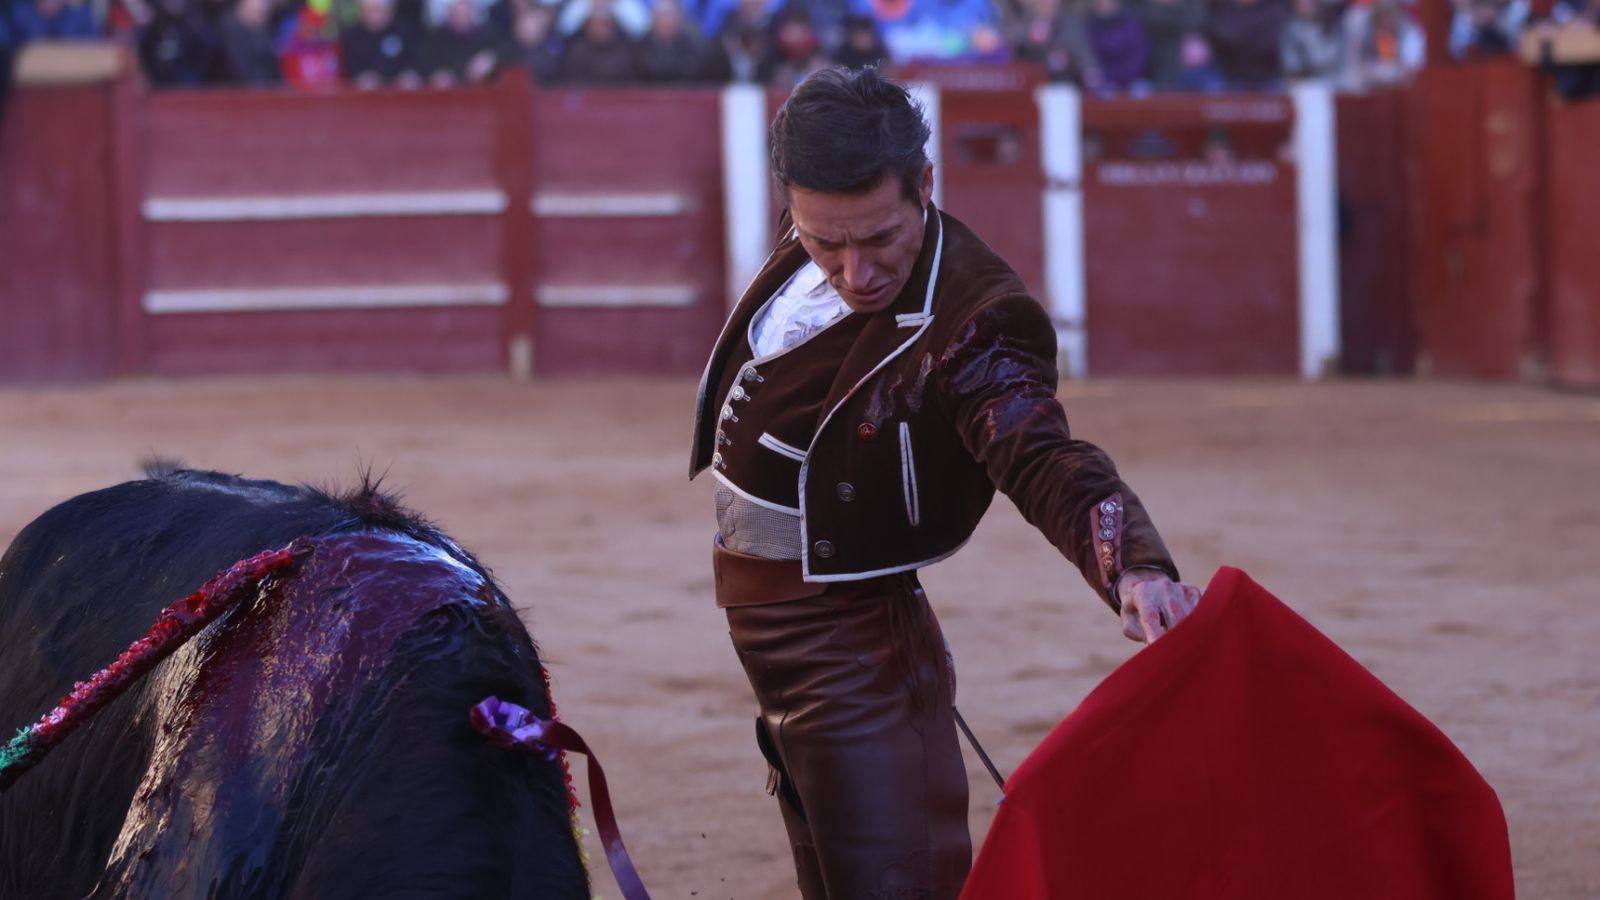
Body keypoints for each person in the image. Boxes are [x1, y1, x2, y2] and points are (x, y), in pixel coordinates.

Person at [689, 66, 1201, 898]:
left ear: (925, 185)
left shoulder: (973, 316)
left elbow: (1040, 453)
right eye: (825, 242)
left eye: (880, 238)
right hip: (778, 642)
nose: (856, 272)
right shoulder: (825, 230)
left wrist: (1133, 563)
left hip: (853, 651)